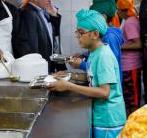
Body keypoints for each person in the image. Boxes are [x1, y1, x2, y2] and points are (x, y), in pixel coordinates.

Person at [47, 9, 126, 138]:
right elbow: (94, 77)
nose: (77, 36)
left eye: (81, 32)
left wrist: (69, 86)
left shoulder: (103, 56)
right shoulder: (94, 52)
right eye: (77, 32)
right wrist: (69, 75)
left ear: (95, 34)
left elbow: (104, 92)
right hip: (103, 116)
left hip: (109, 120)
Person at [69, 0, 124, 82]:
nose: (78, 36)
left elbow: (107, 67)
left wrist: (82, 65)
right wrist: (84, 56)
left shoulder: (109, 38)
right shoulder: (104, 37)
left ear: (103, 17)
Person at [13, 0, 66, 73]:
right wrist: (36, 69)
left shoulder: (41, 11)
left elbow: (53, 37)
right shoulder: (28, 13)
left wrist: (54, 15)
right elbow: (30, 46)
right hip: (38, 68)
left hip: (46, 65)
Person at [117, 0, 142, 114]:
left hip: (131, 66)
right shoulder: (131, 20)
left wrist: (118, 47)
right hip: (127, 66)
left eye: (118, 9)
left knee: (133, 100)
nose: (117, 12)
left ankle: (133, 127)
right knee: (128, 99)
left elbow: (138, 44)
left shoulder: (130, 23)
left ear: (124, 10)